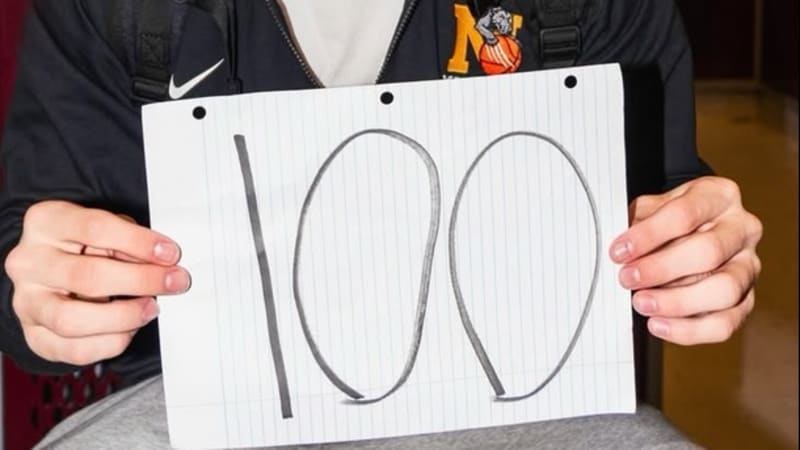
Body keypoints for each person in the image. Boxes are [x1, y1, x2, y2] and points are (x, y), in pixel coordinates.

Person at [0, 0, 762, 448]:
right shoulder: (115, 10)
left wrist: (694, 256)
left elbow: (660, 197)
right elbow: (22, 256)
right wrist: (42, 298)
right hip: (199, 410)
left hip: (529, 408)